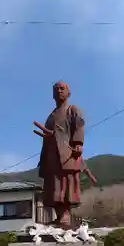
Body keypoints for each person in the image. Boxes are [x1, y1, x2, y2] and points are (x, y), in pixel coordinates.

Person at [33, 81, 86, 228]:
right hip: (51, 156)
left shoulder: (72, 110)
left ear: (68, 92)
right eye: (56, 89)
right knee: (53, 186)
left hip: (67, 154)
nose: (59, 91)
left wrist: (78, 144)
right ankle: (58, 215)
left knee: (66, 184)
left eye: (62, 88)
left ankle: (66, 214)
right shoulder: (51, 116)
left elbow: (79, 126)